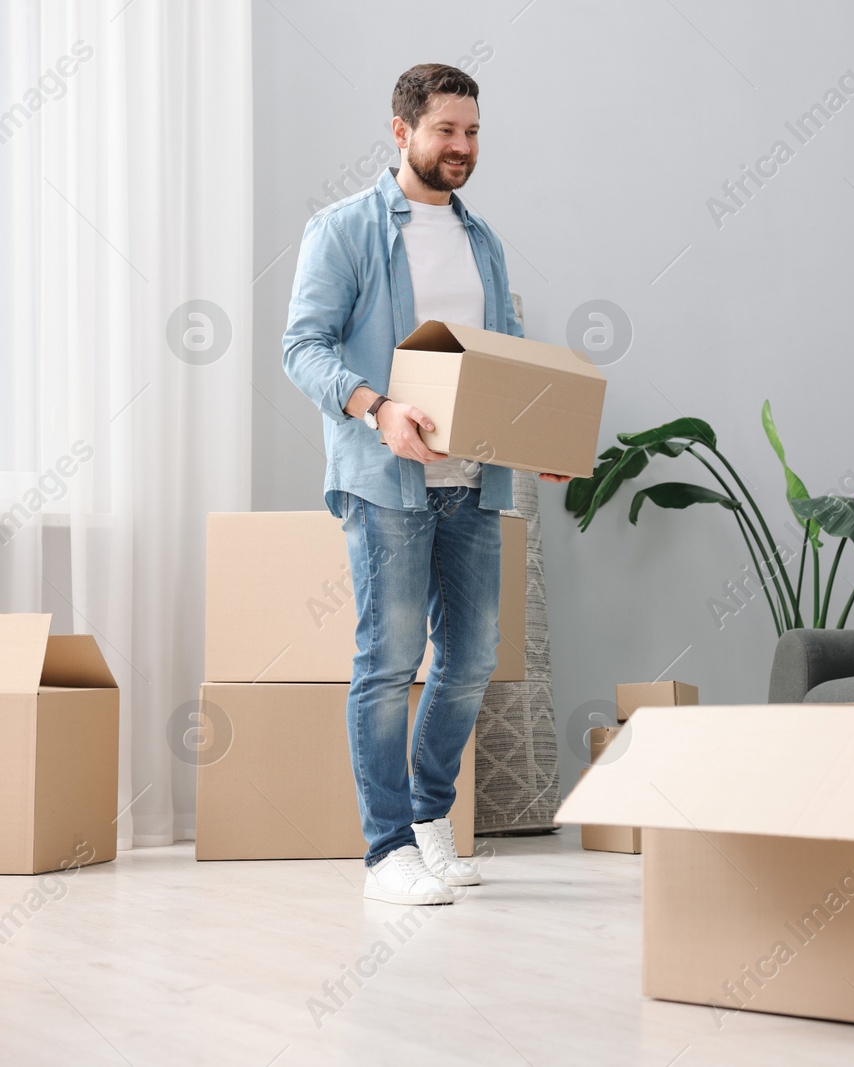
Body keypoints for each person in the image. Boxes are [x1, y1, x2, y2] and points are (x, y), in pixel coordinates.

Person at [283, 63, 570, 906]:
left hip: (475, 482)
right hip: (387, 482)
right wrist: (378, 410)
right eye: (447, 130)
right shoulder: (344, 230)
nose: (462, 147)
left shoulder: (482, 239)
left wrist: (538, 439)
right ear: (402, 132)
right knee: (388, 660)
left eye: (473, 132)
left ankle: (428, 820)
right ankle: (385, 853)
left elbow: (505, 360)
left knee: (472, 659)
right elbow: (304, 347)